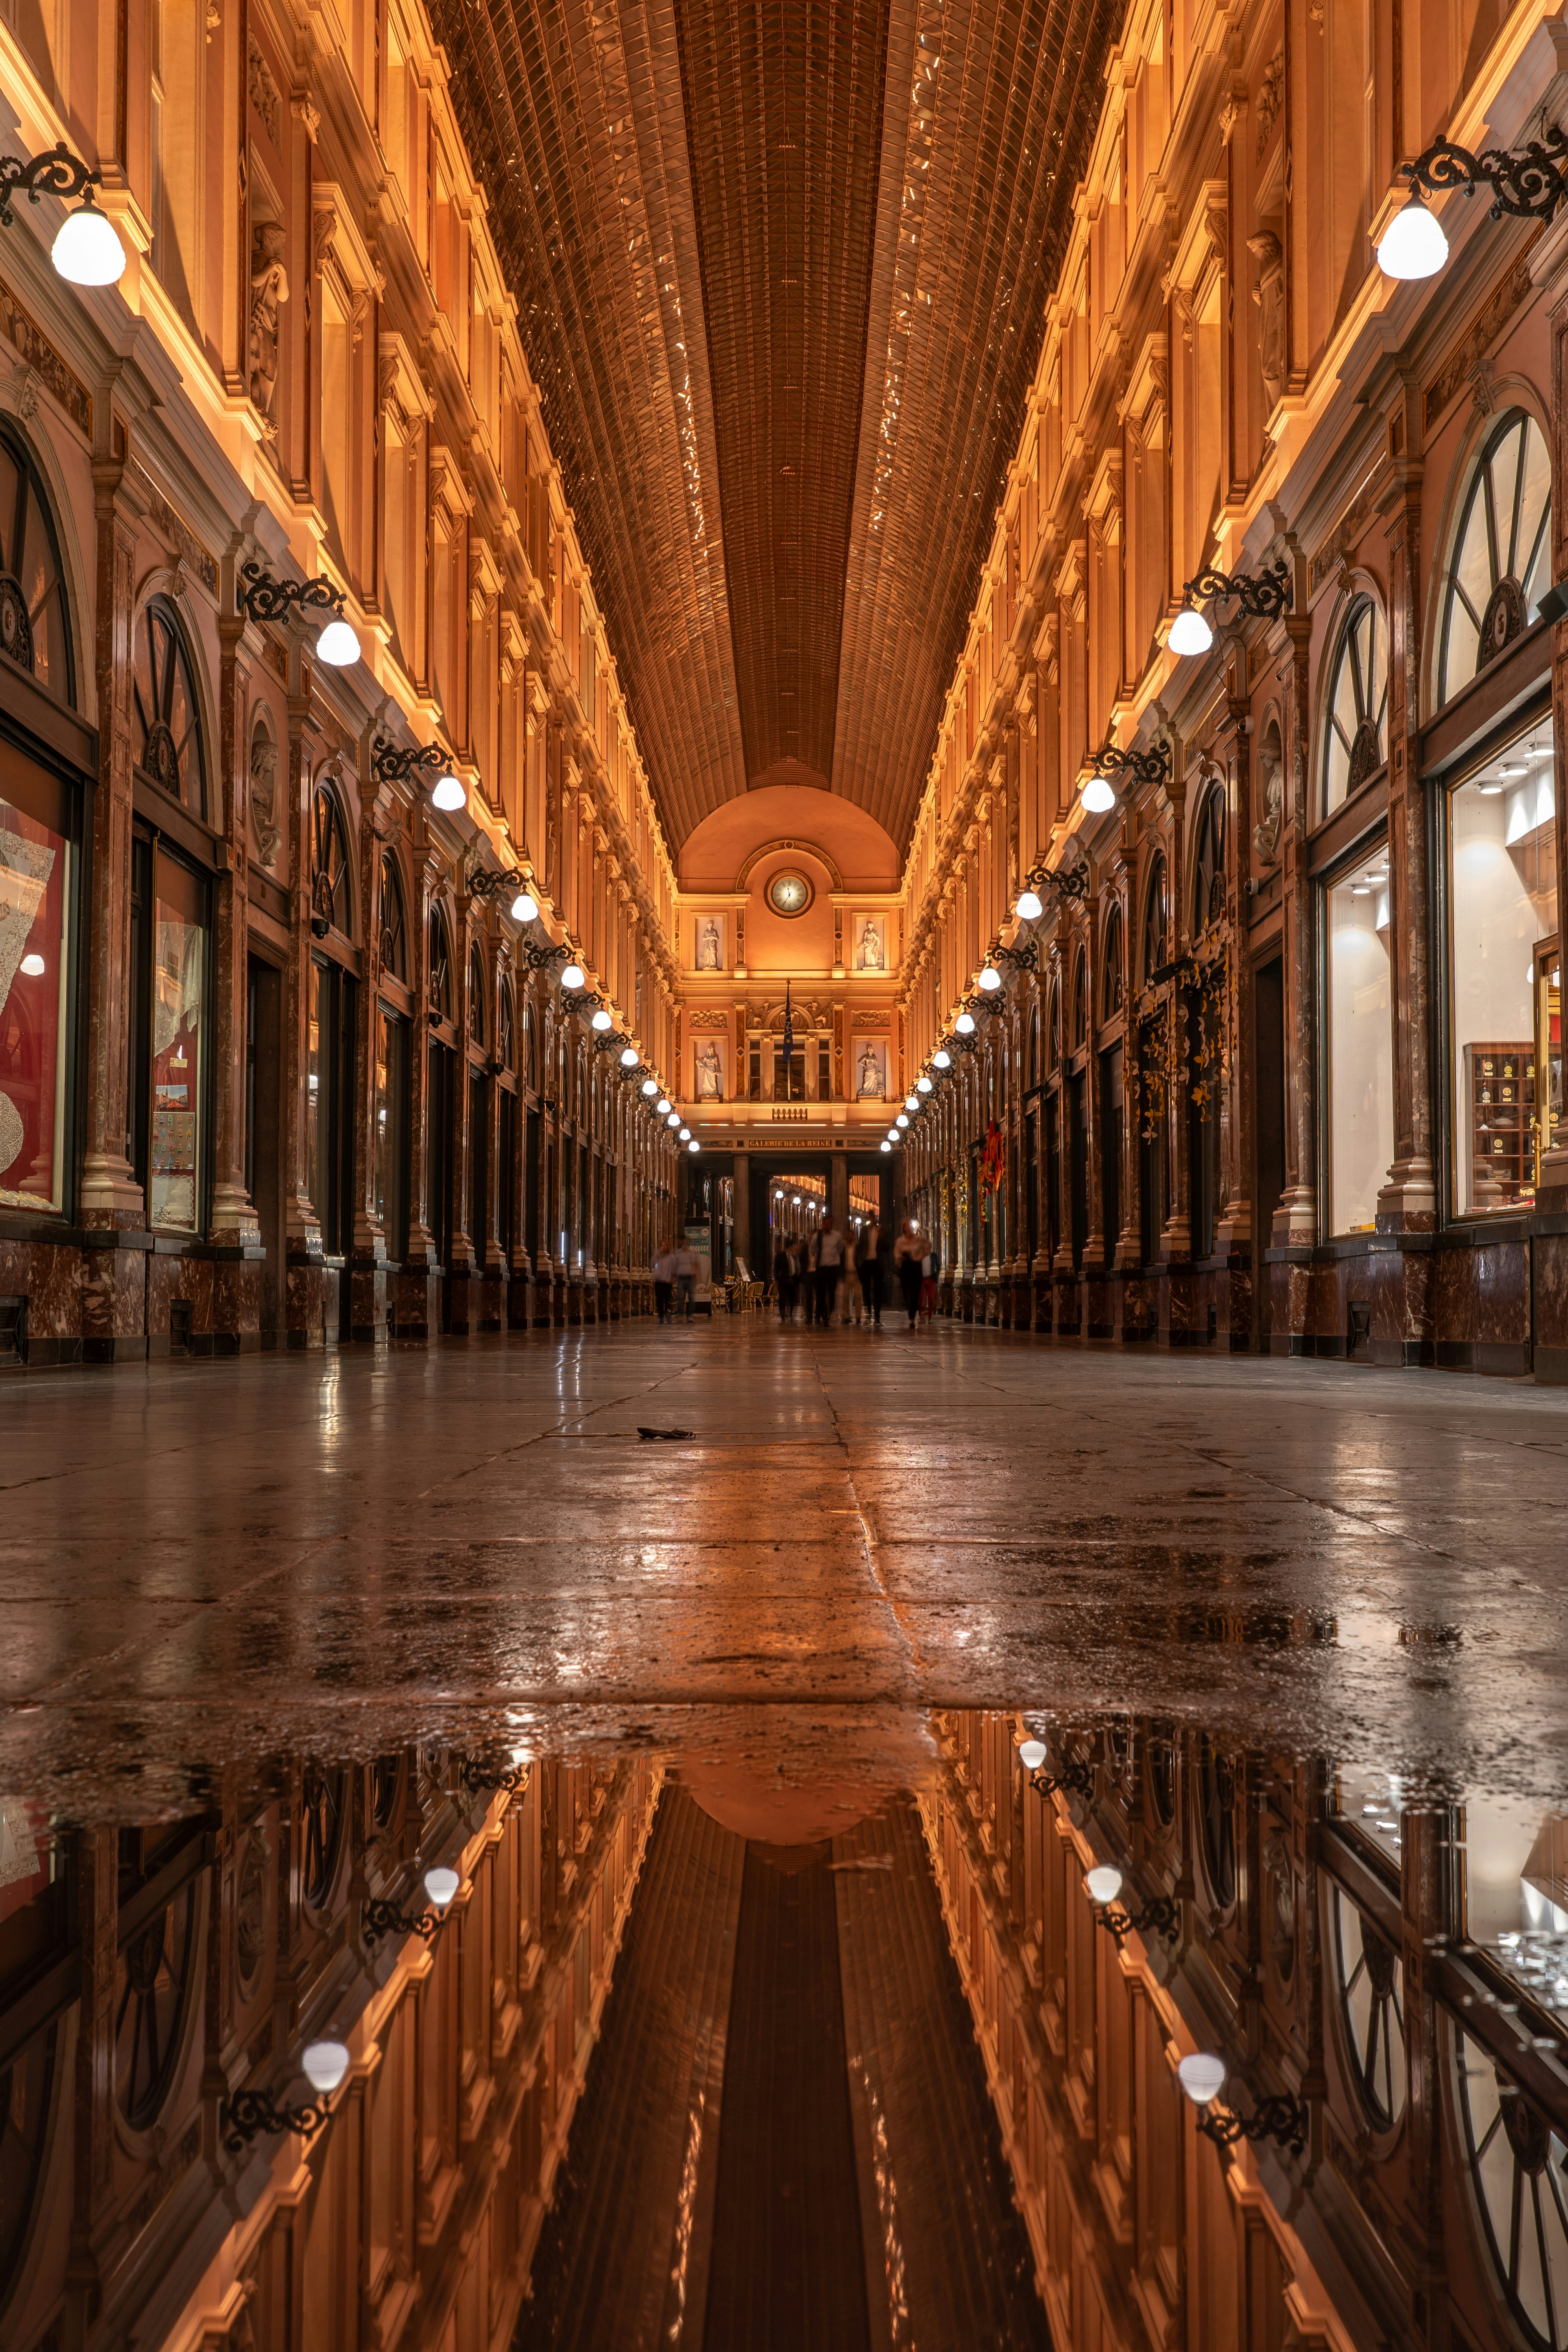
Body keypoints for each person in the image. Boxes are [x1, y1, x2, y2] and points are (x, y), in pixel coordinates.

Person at [815, 1217, 846, 1327]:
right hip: (821, 1267)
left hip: (833, 1267)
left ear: (831, 1225)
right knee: (821, 1294)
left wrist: (833, 1257)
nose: (827, 1226)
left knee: (832, 1293)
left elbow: (841, 1249)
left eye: (829, 1224)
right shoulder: (817, 1236)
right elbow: (812, 1249)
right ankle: (824, 1315)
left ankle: (828, 1316)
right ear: (822, 1225)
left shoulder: (838, 1236)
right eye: (825, 1224)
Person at [894, 1219, 923, 1332]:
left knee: (915, 1292)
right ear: (904, 1228)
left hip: (916, 1267)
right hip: (906, 1267)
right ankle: (911, 1315)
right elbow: (896, 1253)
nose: (910, 1227)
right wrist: (902, 1257)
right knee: (907, 1293)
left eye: (911, 1225)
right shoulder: (900, 1241)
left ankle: (912, 1318)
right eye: (907, 1225)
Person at [856, 1220, 883, 1328]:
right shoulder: (863, 1230)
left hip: (878, 1263)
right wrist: (860, 1261)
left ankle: (877, 1317)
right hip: (866, 1262)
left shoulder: (881, 1230)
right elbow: (860, 1245)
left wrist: (880, 1234)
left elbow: (887, 1246)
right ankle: (868, 1315)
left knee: (878, 1291)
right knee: (866, 1290)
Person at [672, 1238, 699, 1319]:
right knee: (680, 1296)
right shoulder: (678, 1253)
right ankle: (680, 1313)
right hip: (681, 1277)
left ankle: (690, 1315)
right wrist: (674, 1276)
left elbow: (696, 1264)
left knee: (691, 1297)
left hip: (690, 1277)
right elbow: (675, 1265)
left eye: (686, 1243)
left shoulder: (693, 1252)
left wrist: (696, 1275)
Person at [652, 1242, 677, 1325]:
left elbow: (675, 1267)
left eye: (665, 1246)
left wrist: (674, 1277)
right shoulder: (658, 1256)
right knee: (659, 1299)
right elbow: (652, 1261)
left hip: (667, 1281)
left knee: (667, 1299)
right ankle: (661, 1317)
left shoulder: (671, 1257)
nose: (664, 1247)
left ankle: (668, 1313)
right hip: (659, 1281)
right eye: (662, 1246)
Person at [773, 1236, 796, 1323]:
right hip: (783, 1280)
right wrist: (777, 1278)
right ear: (790, 1246)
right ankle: (783, 1313)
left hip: (792, 1280)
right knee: (782, 1298)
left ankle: (790, 1313)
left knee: (792, 1298)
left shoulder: (794, 1256)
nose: (794, 1248)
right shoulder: (780, 1256)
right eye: (793, 1246)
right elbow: (776, 1268)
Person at [920, 1236, 941, 1324]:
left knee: (931, 1299)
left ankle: (930, 1317)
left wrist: (936, 1276)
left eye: (929, 1247)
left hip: (931, 1279)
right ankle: (922, 1317)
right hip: (921, 1279)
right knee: (921, 1299)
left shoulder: (933, 1256)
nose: (928, 1249)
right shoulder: (920, 1256)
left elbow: (939, 1265)